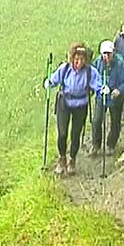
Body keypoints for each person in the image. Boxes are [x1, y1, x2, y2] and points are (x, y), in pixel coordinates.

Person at [44, 42, 103, 175]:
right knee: (62, 133)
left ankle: (72, 159)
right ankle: (62, 159)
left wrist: (103, 90)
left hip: (81, 105)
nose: (79, 62)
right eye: (76, 59)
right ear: (72, 58)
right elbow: (54, 79)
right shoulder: (65, 68)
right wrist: (49, 82)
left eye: (82, 59)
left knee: (76, 134)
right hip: (64, 103)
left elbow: (97, 85)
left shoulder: (90, 71)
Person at [89, 40, 124, 156]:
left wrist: (119, 90)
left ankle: (111, 145)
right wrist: (96, 88)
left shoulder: (120, 64)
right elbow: (92, 77)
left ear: (113, 52)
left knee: (115, 122)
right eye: (104, 54)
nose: (106, 56)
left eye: (108, 53)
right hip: (101, 96)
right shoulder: (98, 63)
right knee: (96, 121)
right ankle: (95, 145)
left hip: (116, 98)